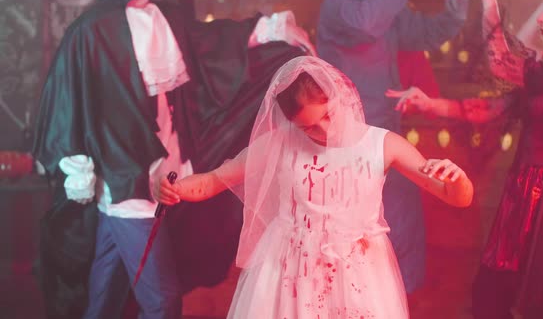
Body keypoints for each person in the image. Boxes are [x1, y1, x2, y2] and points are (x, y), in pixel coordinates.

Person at [32, 0, 314, 318]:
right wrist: (78, 165)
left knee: (107, 289)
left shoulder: (166, 16)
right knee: (163, 301)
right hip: (127, 184)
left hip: (165, 172)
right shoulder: (91, 30)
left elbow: (212, 46)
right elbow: (69, 100)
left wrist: (272, 31)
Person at [154, 56, 474, 318]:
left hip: (357, 275)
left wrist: (457, 180)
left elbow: (456, 198)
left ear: (339, 97)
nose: (321, 132)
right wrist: (174, 189)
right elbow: (212, 181)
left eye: (327, 117)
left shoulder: (383, 144)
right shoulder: (279, 143)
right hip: (289, 271)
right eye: (307, 127)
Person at [387, 0, 543, 317]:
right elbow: (490, 109)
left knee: (542, 305)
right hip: (522, 197)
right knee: (490, 298)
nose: (541, 17)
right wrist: (430, 103)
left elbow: (504, 65)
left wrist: (488, 0)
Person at [315, 0, 469, 292]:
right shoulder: (341, 0)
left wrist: (457, 4)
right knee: (354, 228)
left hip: (384, 132)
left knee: (400, 220)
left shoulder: (384, 5)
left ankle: (400, 296)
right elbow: (365, 23)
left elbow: (426, 34)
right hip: (345, 139)